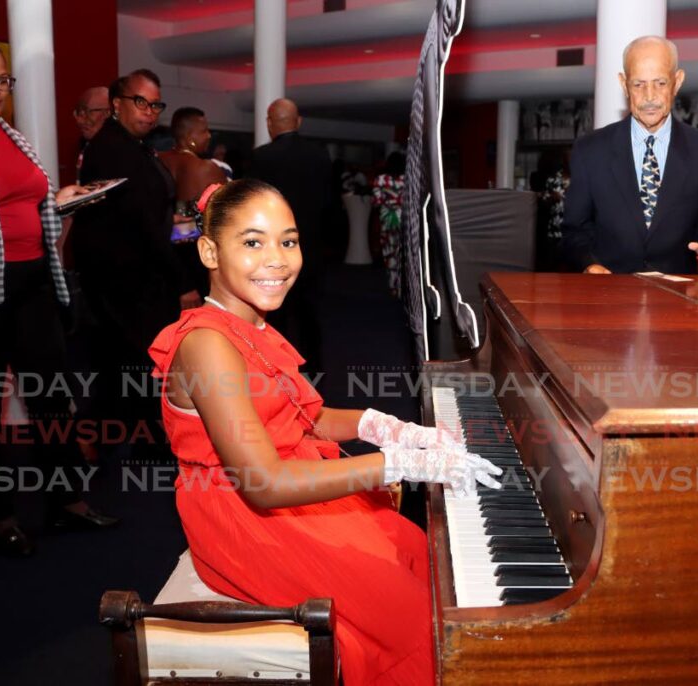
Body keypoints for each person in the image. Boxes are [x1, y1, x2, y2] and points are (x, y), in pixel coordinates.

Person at [148, 179, 500, 685]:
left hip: (281, 488)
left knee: (412, 550)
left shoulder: (252, 324)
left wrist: (385, 426)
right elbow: (263, 483)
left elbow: (302, 417)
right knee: (410, 618)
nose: (277, 259)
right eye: (253, 242)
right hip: (241, 515)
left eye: (288, 241)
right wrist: (400, 462)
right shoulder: (207, 344)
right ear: (208, 251)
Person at [0, 36, 117, 557]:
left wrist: (60, 202)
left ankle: (66, 503)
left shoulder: (12, 137)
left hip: (34, 279)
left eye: (1, 80)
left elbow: (27, 203)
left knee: (52, 397)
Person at [70, 68, 200, 460]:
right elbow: (141, 226)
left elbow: (147, 213)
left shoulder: (130, 144)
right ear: (116, 104)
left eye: (155, 104)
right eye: (140, 102)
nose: (149, 111)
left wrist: (175, 222)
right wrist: (183, 284)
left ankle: (100, 440)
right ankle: (124, 442)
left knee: (125, 366)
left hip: (132, 278)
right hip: (127, 281)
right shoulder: (114, 148)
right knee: (137, 366)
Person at [560, 36, 698, 274]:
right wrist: (589, 264)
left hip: (677, 300)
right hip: (607, 296)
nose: (650, 96)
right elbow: (574, 231)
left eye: (660, 83)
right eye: (638, 84)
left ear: (677, 81)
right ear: (624, 84)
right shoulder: (590, 150)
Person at [247, 98, 332, 362]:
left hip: (272, 249)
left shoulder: (260, 157)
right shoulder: (319, 155)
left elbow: (250, 207)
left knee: (275, 312)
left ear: (269, 124)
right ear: (299, 122)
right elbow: (329, 203)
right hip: (311, 247)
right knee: (310, 314)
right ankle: (314, 370)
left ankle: (276, 365)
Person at [159, 107, 228, 295]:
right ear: (189, 136)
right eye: (204, 130)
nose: (209, 136)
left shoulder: (158, 161)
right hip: (196, 266)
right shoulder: (203, 168)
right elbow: (190, 231)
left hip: (160, 266)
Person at [371, 151, 406, 298]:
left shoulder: (380, 179)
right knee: (402, 254)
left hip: (387, 220)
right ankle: (401, 287)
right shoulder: (407, 180)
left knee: (388, 252)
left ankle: (392, 286)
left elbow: (377, 202)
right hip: (403, 220)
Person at [72, 86, 109, 177]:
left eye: (88, 112)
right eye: (79, 113)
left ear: (109, 112)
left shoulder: (124, 151)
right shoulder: (85, 147)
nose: (79, 121)